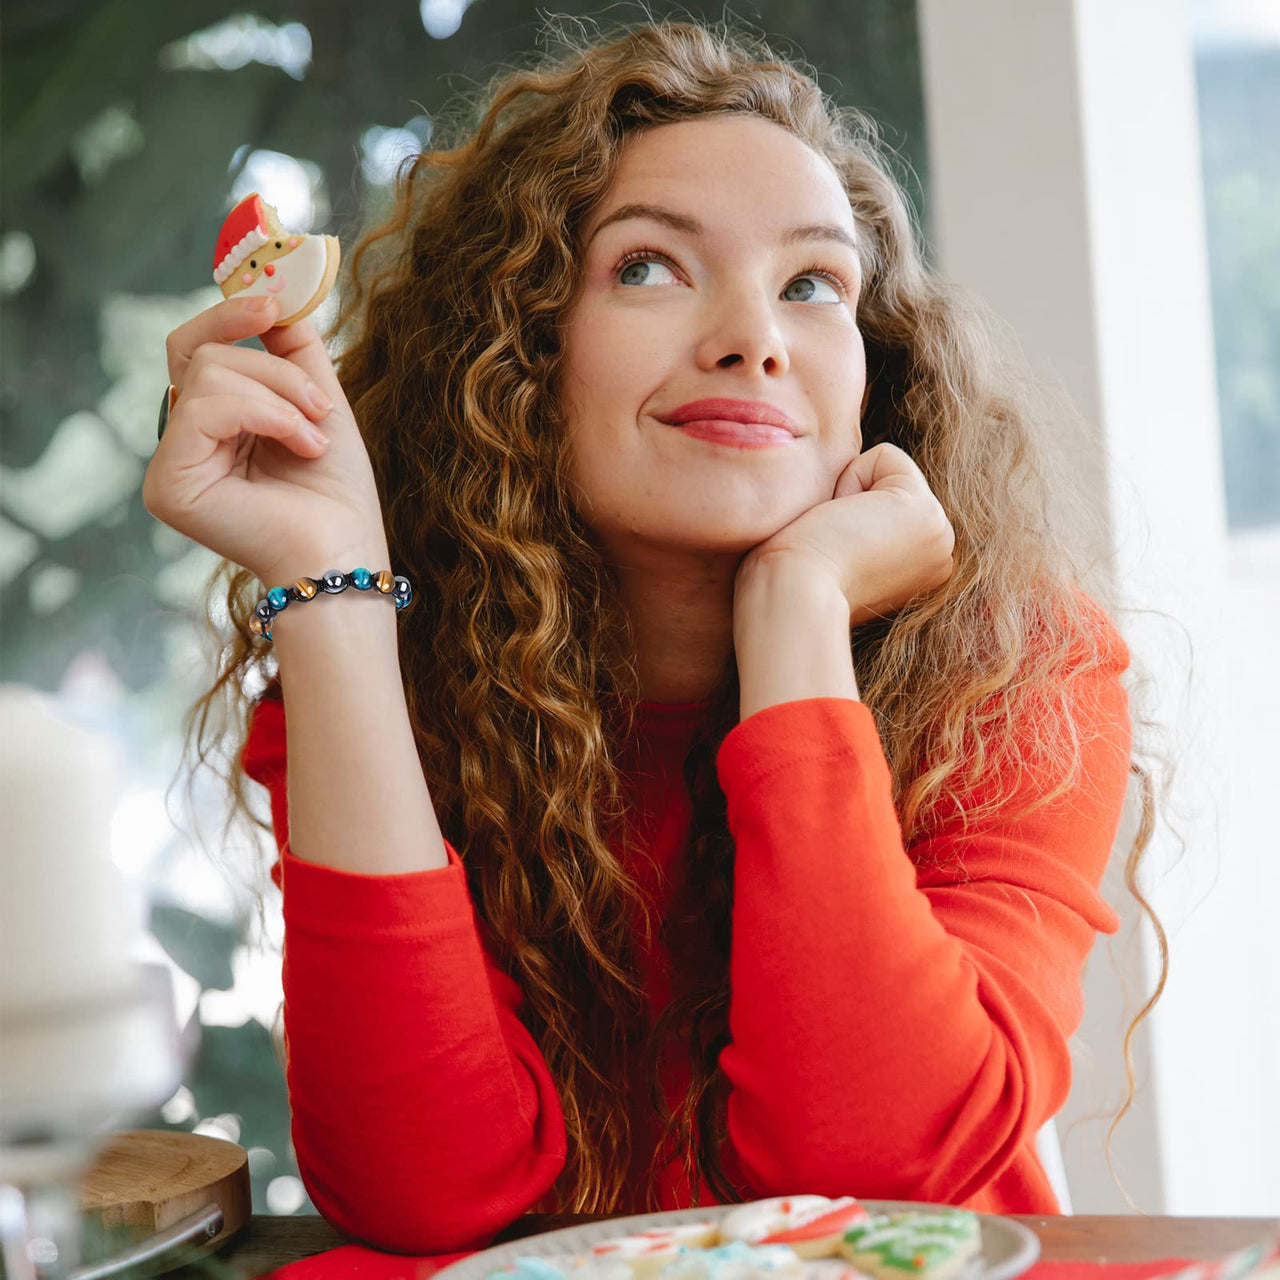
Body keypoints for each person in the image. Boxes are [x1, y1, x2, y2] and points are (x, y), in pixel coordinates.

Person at [144, 16, 1168, 1257]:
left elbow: (872, 1179)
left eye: (811, 284)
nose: (755, 337)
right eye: (647, 267)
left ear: (873, 372)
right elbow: (421, 1192)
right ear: (517, 351)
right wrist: (333, 592)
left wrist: (796, 615)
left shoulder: (1016, 670)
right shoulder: (380, 684)